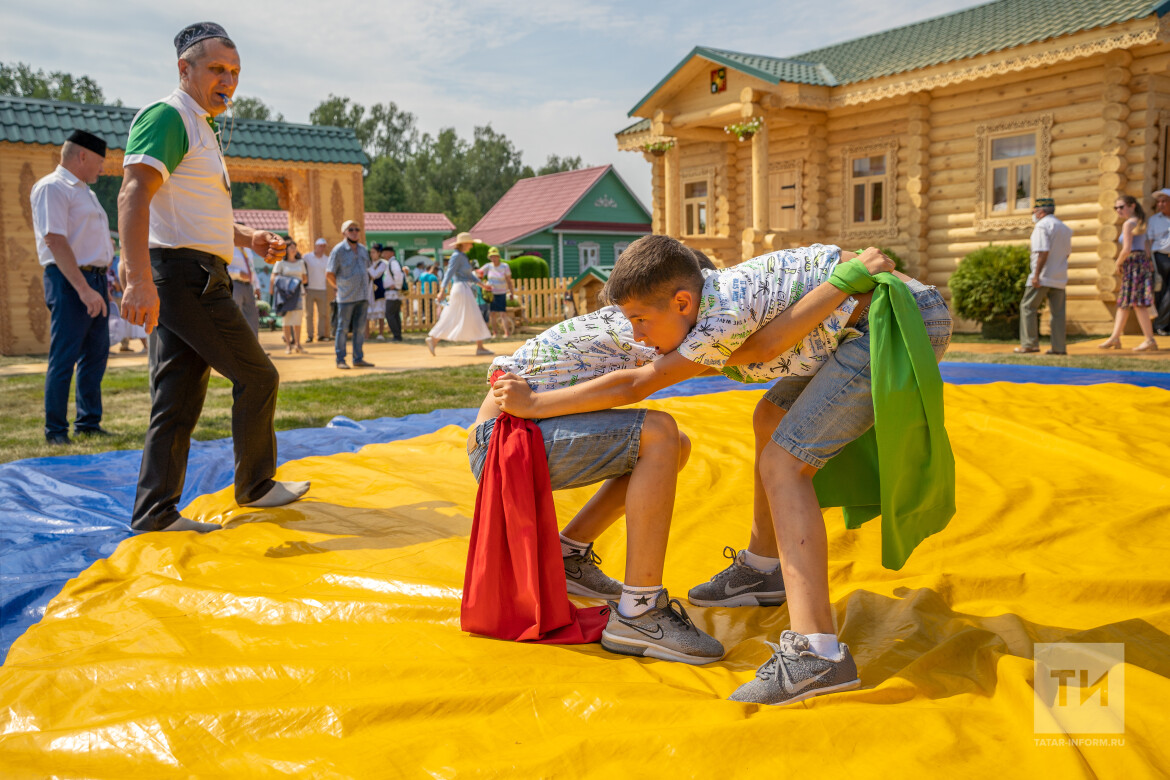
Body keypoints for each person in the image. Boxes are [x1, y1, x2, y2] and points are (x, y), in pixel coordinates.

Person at [493, 236, 950, 705]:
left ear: (683, 302)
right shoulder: (708, 305)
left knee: (783, 462)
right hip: (871, 317)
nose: (637, 334)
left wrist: (535, 404)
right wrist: (843, 279)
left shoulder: (716, 318)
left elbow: (738, 353)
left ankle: (817, 655)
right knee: (770, 421)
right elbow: (754, 342)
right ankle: (765, 569)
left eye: (641, 321)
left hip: (890, 321)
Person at [118, 22, 310, 533]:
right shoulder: (169, 115)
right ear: (185, 68)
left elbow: (196, 212)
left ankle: (154, 513)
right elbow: (134, 193)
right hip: (184, 275)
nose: (228, 80)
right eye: (217, 69)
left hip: (192, 270)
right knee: (258, 375)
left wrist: (249, 239)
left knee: (178, 394)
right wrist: (136, 277)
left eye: (235, 72)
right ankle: (256, 485)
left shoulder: (201, 125)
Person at [30, 129, 114, 445]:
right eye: (100, 162)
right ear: (82, 156)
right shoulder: (53, 187)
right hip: (69, 280)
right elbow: (54, 239)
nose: (103, 169)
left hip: (94, 279)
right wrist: (83, 288)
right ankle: (55, 431)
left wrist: (102, 281)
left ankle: (88, 423)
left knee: (96, 354)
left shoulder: (85, 192)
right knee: (65, 357)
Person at [1099, 195, 1158, 351]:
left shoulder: (1128, 224)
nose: (1118, 210)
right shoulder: (1141, 222)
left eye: (1121, 207)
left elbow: (1126, 249)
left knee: (1137, 303)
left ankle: (1150, 339)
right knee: (1125, 303)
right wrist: (1149, 263)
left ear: (1132, 206)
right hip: (1140, 263)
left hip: (1133, 263)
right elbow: (1146, 246)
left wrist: (1118, 263)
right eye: (1116, 208)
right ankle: (1115, 338)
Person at [1016, 197, 1072, 355]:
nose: (1033, 214)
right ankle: (1059, 347)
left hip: (1043, 276)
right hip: (1059, 276)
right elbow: (1066, 254)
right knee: (1058, 312)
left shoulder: (1041, 226)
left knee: (1027, 307)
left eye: (1034, 211)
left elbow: (1043, 251)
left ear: (1040, 212)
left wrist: (1036, 274)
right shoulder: (1064, 228)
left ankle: (1029, 344)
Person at [425, 232, 492, 356]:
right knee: (468, 316)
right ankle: (479, 347)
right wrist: (441, 290)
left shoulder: (462, 256)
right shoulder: (457, 256)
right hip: (461, 289)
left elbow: (469, 275)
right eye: (470, 243)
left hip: (463, 288)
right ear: (464, 244)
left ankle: (434, 339)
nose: (471, 246)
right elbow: (449, 273)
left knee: (460, 316)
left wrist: (482, 285)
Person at [328, 219, 375, 369]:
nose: (355, 232)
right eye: (351, 230)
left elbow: (367, 269)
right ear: (344, 233)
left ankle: (358, 358)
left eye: (357, 229)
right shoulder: (338, 250)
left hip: (363, 295)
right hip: (346, 297)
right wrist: (338, 287)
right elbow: (329, 273)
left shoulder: (362, 249)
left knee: (360, 329)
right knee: (342, 329)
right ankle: (340, 360)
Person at [270, 238, 307, 354]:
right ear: (286, 250)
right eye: (291, 247)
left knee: (297, 320)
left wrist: (295, 283)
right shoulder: (280, 262)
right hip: (285, 294)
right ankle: (287, 346)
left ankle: (298, 345)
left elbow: (305, 279)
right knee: (286, 320)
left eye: (295, 247)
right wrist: (288, 283)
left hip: (298, 293)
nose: (294, 249)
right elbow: (274, 277)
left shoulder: (301, 262)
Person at [477, 246, 514, 338]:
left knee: (502, 313)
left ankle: (506, 333)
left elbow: (509, 281)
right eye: (491, 257)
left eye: (495, 256)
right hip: (491, 294)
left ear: (498, 256)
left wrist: (512, 293)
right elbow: (478, 274)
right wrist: (483, 285)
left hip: (501, 293)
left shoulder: (505, 266)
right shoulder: (488, 266)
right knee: (492, 314)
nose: (493, 258)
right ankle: (495, 333)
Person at [1147, 188, 1170, 337]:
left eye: (1164, 201)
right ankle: (1161, 326)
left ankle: (1161, 325)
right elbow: (1149, 241)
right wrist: (1148, 259)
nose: (1160, 204)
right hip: (1160, 258)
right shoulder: (1154, 220)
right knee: (1161, 292)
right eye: (1158, 202)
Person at [226, 244, 261, 335]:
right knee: (235, 316)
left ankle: (253, 347)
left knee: (252, 318)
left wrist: (257, 286)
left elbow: (251, 267)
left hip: (249, 286)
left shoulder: (247, 249)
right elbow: (223, 268)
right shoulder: (227, 247)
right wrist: (238, 273)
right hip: (235, 284)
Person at [302, 237, 331, 343]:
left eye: (324, 246)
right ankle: (309, 335)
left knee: (322, 314)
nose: (322, 248)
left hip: (322, 289)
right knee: (309, 314)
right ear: (316, 246)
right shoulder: (307, 257)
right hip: (309, 289)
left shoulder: (327, 259)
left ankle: (321, 335)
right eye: (320, 246)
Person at [366, 243, 390, 340]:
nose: (372, 254)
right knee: (367, 312)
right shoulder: (369, 263)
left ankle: (381, 333)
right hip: (368, 289)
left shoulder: (383, 264)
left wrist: (368, 268)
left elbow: (375, 275)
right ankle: (366, 334)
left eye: (374, 252)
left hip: (378, 289)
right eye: (371, 252)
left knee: (380, 311)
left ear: (379, 253)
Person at [383, 246, 406, 342]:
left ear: (391, 253)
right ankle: (397, 335)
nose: (383, 254)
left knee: (390, 314)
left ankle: (396, 335)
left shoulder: (393, 262)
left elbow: (398, 274)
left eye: (385, 252)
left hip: (393, 293)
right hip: (394, 292)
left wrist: (396, 286)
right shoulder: (392, 262)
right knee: (395, 314)